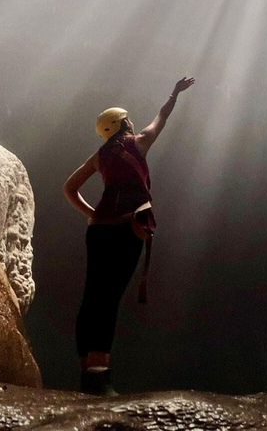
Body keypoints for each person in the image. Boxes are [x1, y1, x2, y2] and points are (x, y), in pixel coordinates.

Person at [63, 76, 196, 395]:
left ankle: (86, 376)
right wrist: (174, 94)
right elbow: (161, 118)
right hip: (127, 228)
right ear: (123, 124)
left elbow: (69, 188)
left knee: (92, 297)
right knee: (109, 299)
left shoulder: (99, 156)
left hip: (98, 232)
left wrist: (92, 214)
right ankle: (100, 379)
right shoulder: (138, 142)